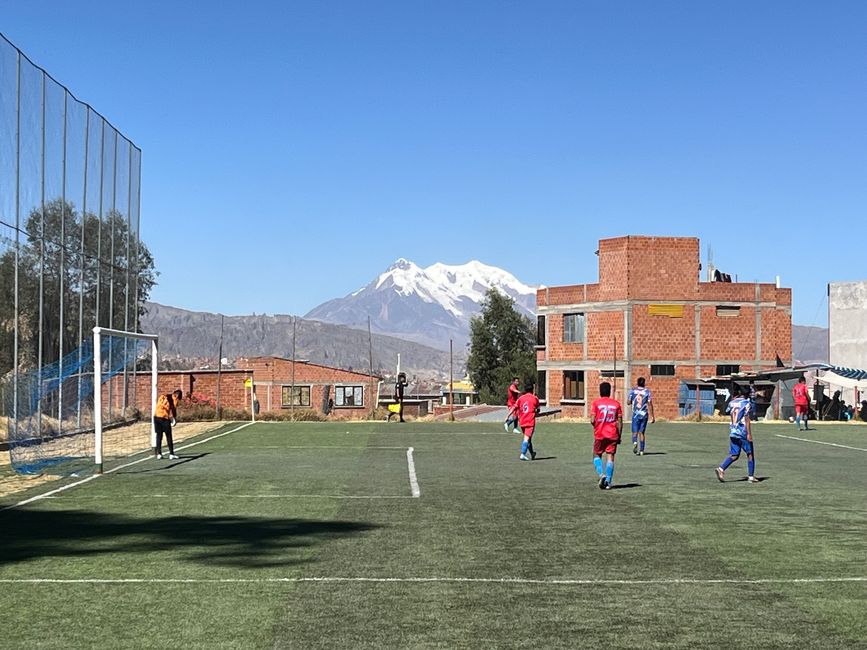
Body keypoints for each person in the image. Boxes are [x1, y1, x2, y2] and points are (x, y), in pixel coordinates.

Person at [715, 385, 758, 483]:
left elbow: (727, 411)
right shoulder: (747, 403)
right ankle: (751, 476)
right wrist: (749, 434)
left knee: (734, 454)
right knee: (750, 454)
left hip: (733, 431)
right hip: (742, 431)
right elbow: (747, 419)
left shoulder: (732, 403)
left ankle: (721, 468)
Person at [590, 381, 623, 490]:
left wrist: (596, 424)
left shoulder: (596, 403)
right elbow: (619, 421)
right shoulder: (616, 404)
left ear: (600, 391)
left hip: (600, 433)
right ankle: (608, 482)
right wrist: (619, 435)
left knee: (596, 455)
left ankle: (601, 474)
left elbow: (592, 420)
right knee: (610, 457)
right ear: (610, 392)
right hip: (613, 434)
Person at [512, 383, 540, 461]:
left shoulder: (521, 398)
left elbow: (514, 407)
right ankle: (523, 454)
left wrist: (507, 416)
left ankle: (532, 453)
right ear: (532, 390)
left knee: (528, 439)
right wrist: (535, 412)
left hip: (522, 421)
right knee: (526, 438)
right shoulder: (535, 398)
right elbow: (538, 409)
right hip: (530, 422)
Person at [627, 377, 654, 455]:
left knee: (634, 432)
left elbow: (628, 402)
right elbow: (649, 404)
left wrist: (633, 402)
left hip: (636, 414)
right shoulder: (647, 392)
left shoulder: (633, 391)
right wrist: (652, 416)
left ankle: (635, 442)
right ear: (644, 383)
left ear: (637, 383)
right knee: (642, 433)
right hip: (644, 414)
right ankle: (642, 450)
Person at [154, 389, 182, 460]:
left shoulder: (163, 396)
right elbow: (173, 409)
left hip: (156, 417)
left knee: (159, 436)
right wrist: (174, 418)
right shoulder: (174, 399)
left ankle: (159, 454)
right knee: (168, 436)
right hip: (164, 418)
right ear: (178, 395)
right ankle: (171, 453)